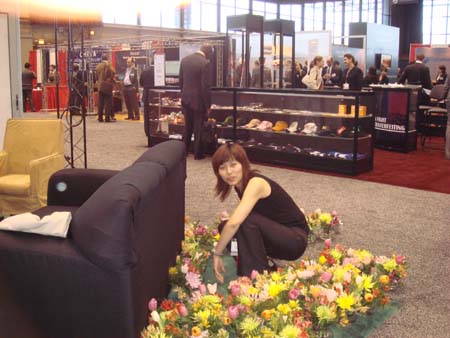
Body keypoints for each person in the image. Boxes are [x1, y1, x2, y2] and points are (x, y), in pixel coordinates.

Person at [212, 143, 309, 281]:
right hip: (276, 234)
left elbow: (235, 223)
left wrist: (217, 253)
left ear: (244, 164)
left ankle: (257, 278)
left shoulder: (256, 183)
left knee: (240, 222)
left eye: (233, 165)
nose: (229, 172)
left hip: (294, 240)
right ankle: (250, 260)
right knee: (225, 227)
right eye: (222, 168)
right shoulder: (240, 184)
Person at [179, 44, 213, 160]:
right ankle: (198, 154)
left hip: (186, 99)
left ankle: (183, 152)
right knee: (198, 128)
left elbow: (181, 81)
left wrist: (183, 95)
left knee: (187, 127)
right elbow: (205, 86)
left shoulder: (184, 60)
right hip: (198, 101)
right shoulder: (205, 63)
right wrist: (208, 104)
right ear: (208, 53)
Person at [96, 54, 116, 122]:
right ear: (107, 58)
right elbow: (113, 72)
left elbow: (96, 76)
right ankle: (107, 118)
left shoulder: (98, 66)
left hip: (100, 86)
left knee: (100, 103)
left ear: (101, 59)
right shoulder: (108, 65)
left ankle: (100, 117)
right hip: (107, 86)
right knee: (108, 102)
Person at [139, 63, 155, 136]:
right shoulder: (158, 71)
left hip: (146, 94)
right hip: (155, 95)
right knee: (155, 114)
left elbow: (141, 83)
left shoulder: (144, 71)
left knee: (146, 114)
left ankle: (147, 131)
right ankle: (153, 131)